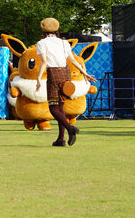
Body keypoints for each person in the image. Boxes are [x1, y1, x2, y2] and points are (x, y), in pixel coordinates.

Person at [35, 18, 96, 147]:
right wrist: (84, 73)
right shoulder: (64, 43)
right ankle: (61, 139)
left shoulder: (42, 43)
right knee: (60, 107)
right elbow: (73, 60)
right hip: (65, 73)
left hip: (53, 73)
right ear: (57, 29)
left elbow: (44, 62)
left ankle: (70, 128)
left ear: (43, 30)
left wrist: (38, 78)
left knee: (53, 108)